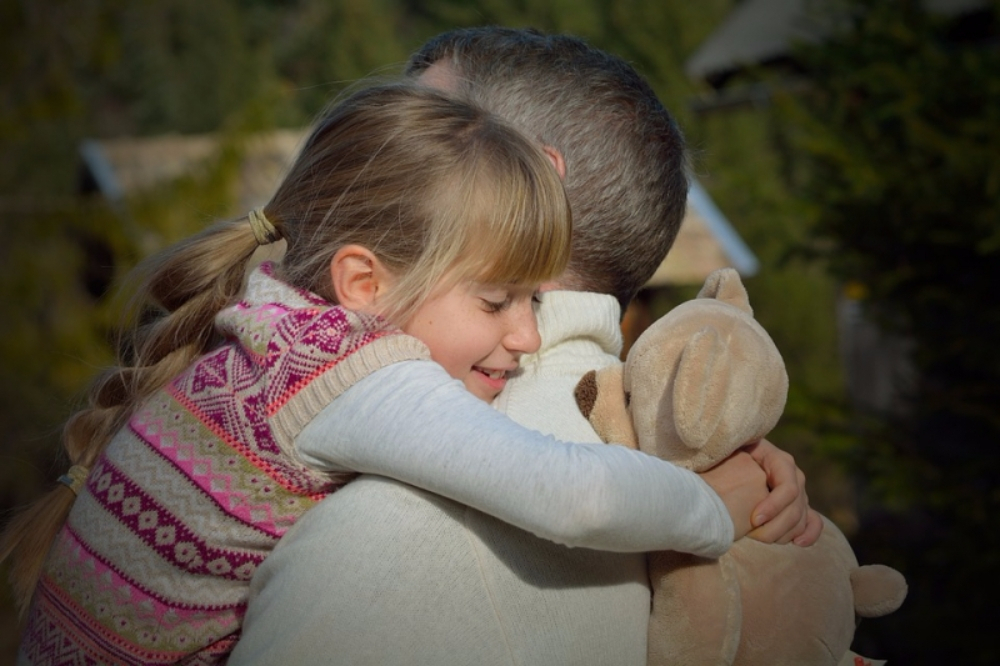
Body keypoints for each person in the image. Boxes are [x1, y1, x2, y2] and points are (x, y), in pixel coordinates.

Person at [4, 82, 768, 666]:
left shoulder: (272, 322)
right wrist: (710, 509)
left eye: (534, 300)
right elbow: (574, 494)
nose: (528, 335)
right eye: (498, 300)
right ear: (364, 284)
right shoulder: (350, 374)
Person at [230, 28, 820, 666]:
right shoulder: (690, 465)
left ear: (535, 177)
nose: (370, 164)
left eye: (423, 129)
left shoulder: (387, 533)